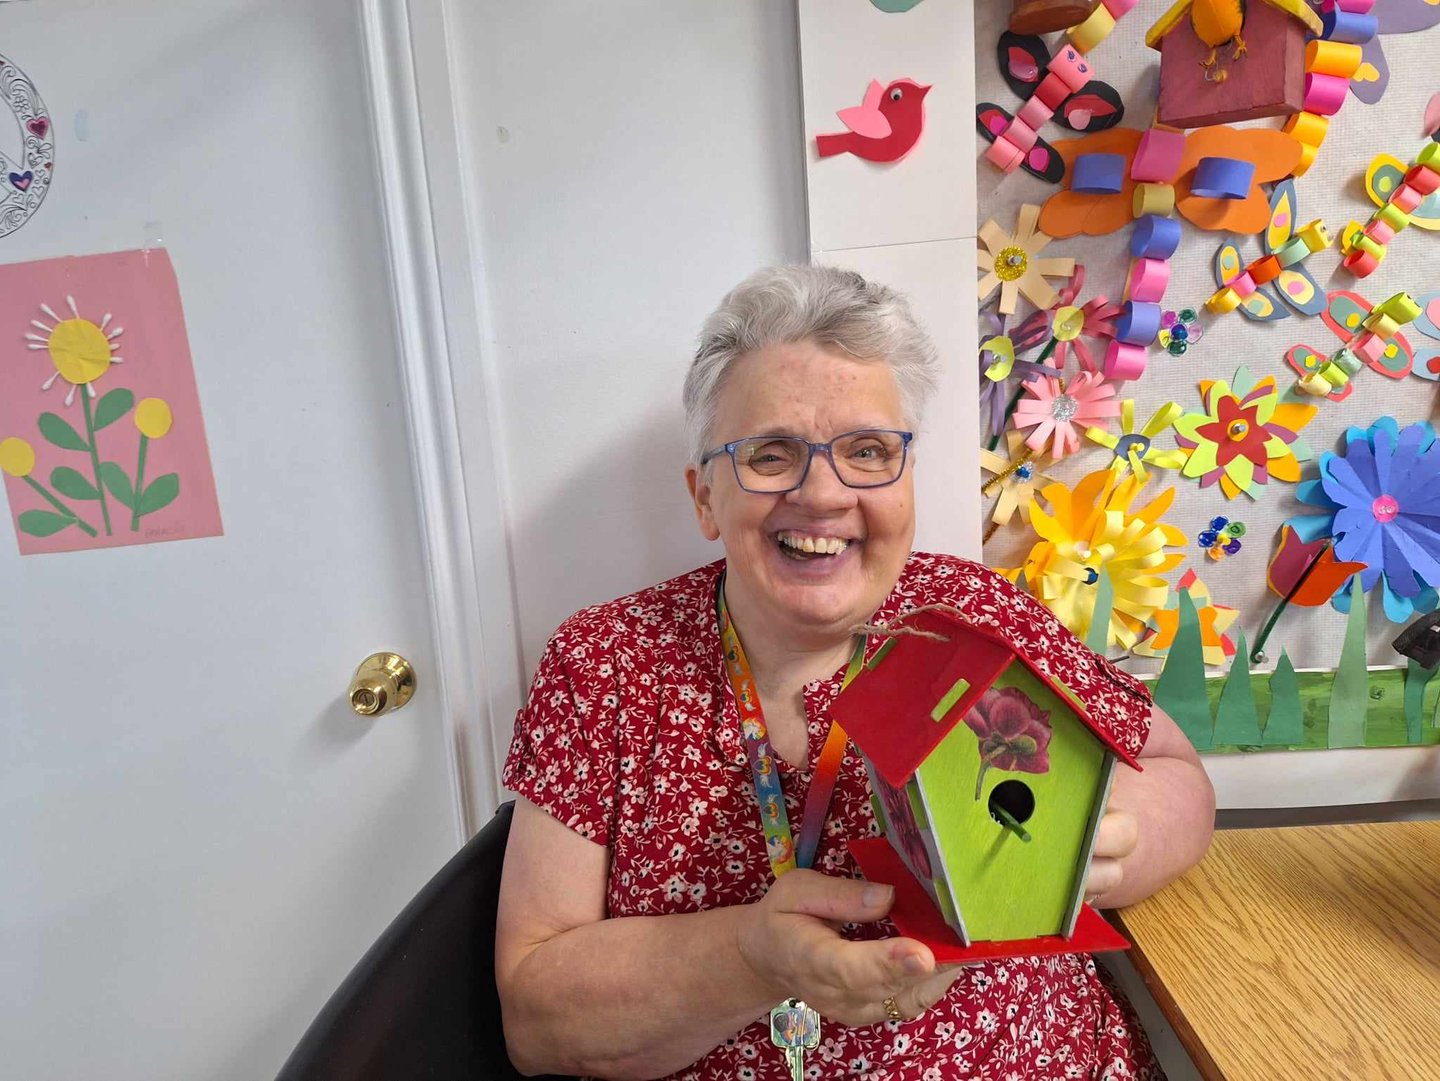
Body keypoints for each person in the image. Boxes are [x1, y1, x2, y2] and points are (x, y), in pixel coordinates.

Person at [495, 265, 1215, 1080]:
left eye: (868, 451)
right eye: (771, 454)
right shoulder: (604, 664)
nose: (823, 494)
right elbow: (534, 1016)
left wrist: (1115, 843)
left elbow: (1179, 774)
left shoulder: (973, 611)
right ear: (703, 498)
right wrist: (750, 958)